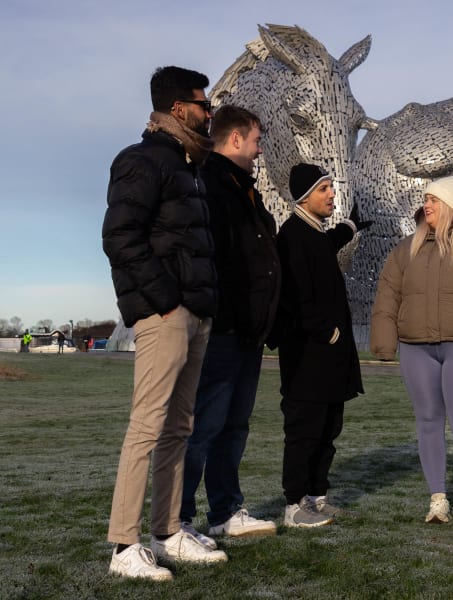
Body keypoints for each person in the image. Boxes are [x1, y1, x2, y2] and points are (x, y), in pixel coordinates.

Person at [102, 65, 226, 581]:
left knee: (179, 426)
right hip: (166, 314)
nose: (209, 114)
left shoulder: (187, 165)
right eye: (205, 105)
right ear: (179, 108)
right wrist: (166, 303)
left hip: (195, 312)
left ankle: (167, 531)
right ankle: (123, 545)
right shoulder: (141, 161)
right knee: (148, 425)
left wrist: (195, 305)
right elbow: (119, 237)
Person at [370, 176, 453, 529]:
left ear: (451, 205)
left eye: (433, 199)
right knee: (428, 422)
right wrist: (385, 342)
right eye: (425, 199)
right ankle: (438, 500)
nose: (426, 205)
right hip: (416, 348)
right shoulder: (407, 249)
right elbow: (387, 297)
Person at [179, 105, 281, 546]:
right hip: (222, 329)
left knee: (234, 426)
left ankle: (223, 511)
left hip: (247, 332)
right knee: (202, 427)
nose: (259, 151)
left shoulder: (245, 190)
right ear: (236, 139)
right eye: (256, 141)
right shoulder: (211, 184)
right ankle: (177, 518)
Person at [272, 163, 367, 528]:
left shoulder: (312, 234)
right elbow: (295, 298)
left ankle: (316, 497)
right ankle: (294, 505)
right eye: (324, 188)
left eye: (331, 187)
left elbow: (327, 244)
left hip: (329, 358)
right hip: (307, 358)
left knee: (328, 429)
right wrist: (325, 331)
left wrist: (350, 227)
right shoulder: (292, 235)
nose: (332, 195)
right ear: (304, 196)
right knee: (304, 431)